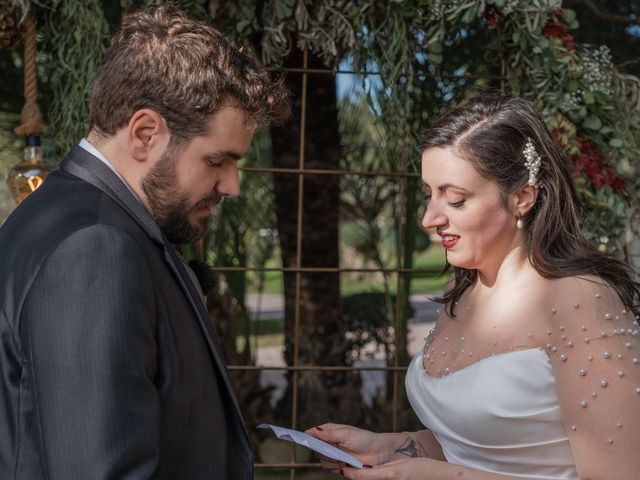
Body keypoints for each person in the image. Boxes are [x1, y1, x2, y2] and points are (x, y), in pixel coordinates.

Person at [0, 6, 288, 479]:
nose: (232, 186)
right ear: (145, 133)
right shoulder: (92, 248)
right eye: (217, 161)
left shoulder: (90, 222)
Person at [309, 94, 640, 479]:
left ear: (522, 197)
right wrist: (387, 448)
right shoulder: (466, 290)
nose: (429, 218)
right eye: (428, 195)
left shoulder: (581, 300)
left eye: (455, 199)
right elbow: (475, 442)